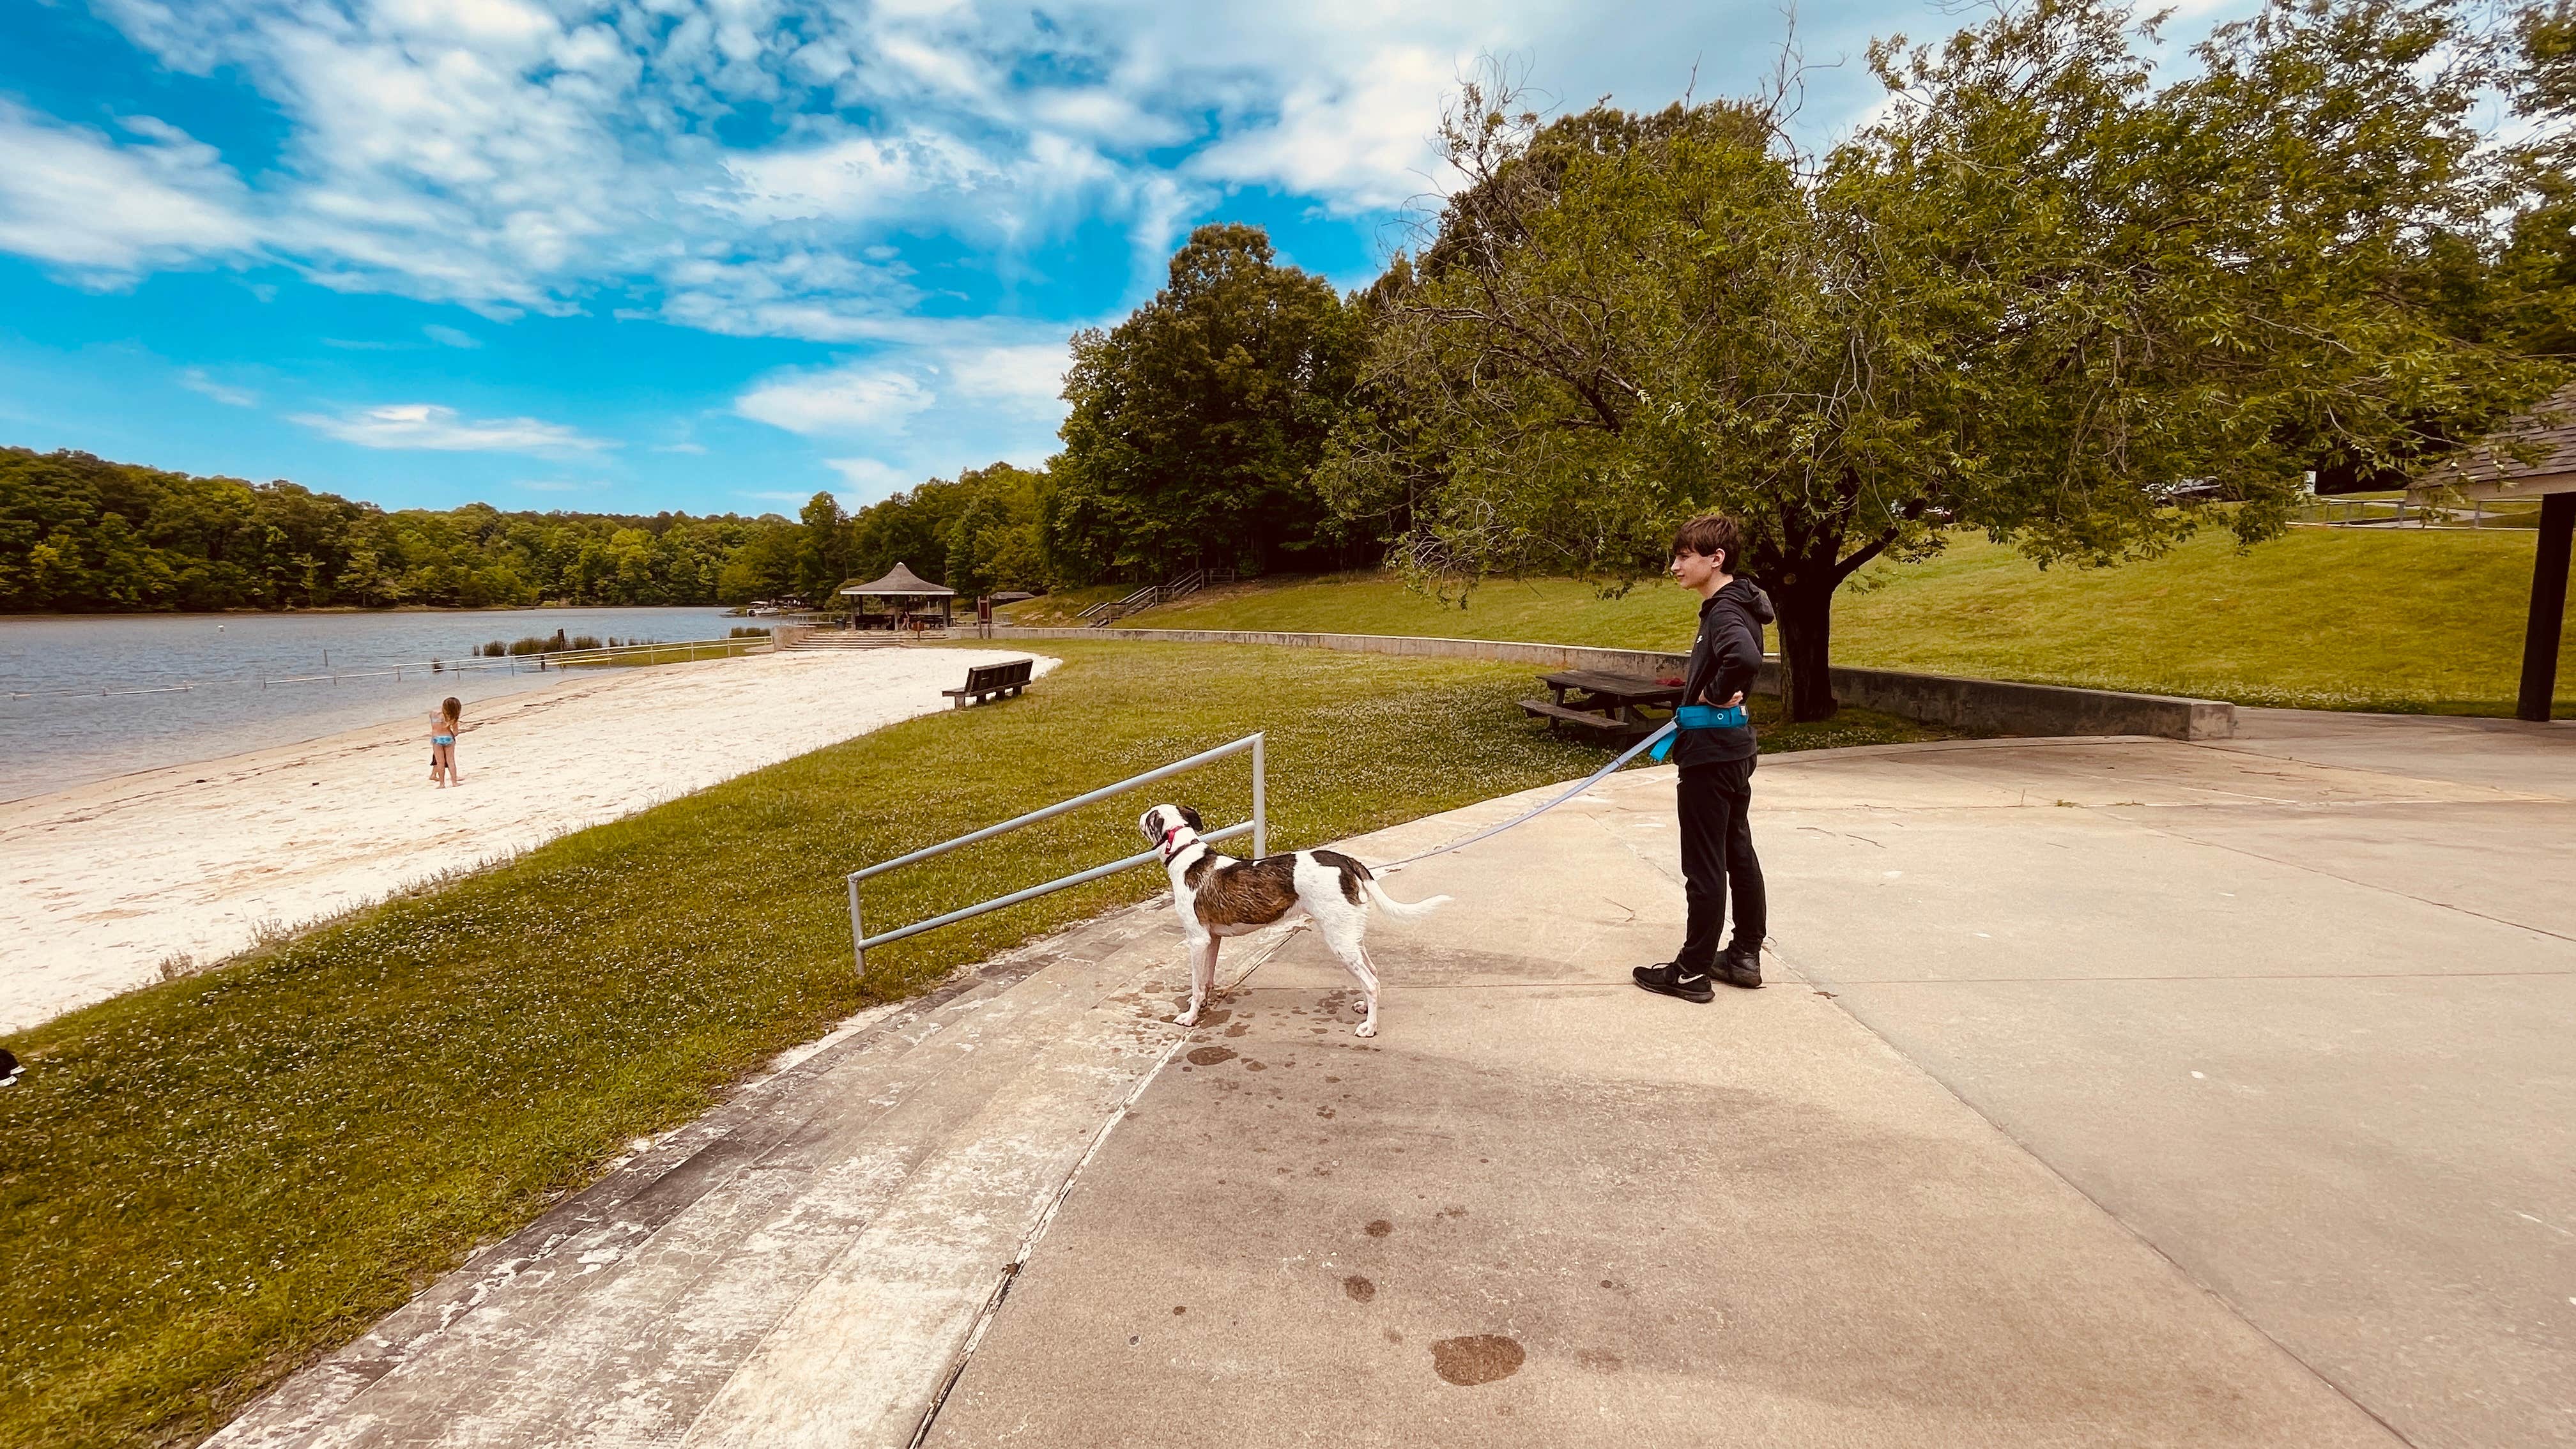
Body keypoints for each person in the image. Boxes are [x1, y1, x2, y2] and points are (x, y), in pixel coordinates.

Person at [1634, 514, 1772, 1002]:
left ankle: (1692, 971)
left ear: (1717, 558)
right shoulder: (1739, 604)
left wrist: (1712, 694)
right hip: (1732, 748)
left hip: (1712, 754)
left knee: (1705, 863)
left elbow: (1745, 659)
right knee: (1736, 852)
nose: (1675, 566)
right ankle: (1744, 955)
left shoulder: (1725, 611)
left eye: (1684, 556)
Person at [429, 696, 464, 788]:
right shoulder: (452, 718)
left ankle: (442, 784)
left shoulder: (433, 714)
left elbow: (433, 726)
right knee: (451, 761)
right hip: (448, 738)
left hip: (436, 739)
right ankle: (454, 782)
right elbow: (456, 732)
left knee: (440, 763)